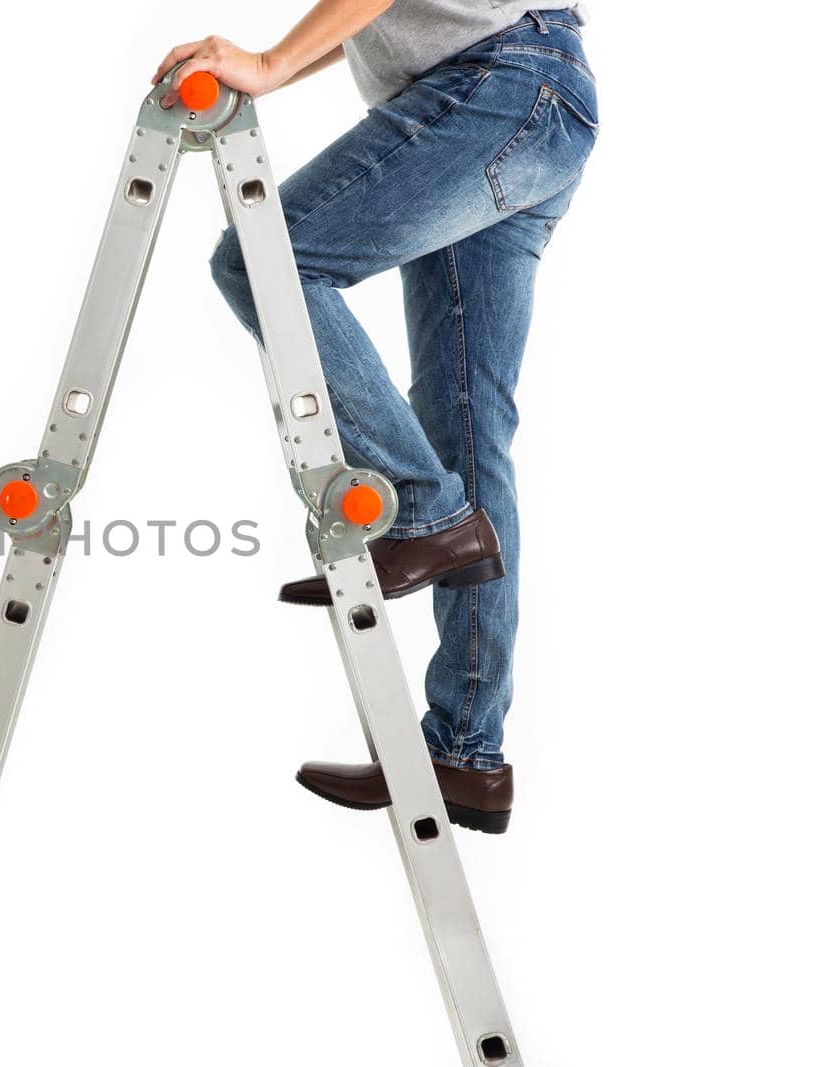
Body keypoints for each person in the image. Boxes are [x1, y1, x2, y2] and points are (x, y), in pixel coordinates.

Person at [155, 3, 597, 833]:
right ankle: (468, 752)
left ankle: (427, 513)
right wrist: (276, 62)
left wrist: (271, 63)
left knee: (266, 259)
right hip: (535, 97)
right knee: (468, 435)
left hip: (498, 84)